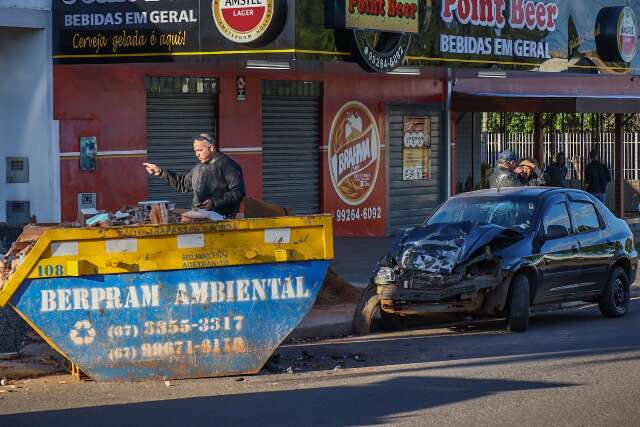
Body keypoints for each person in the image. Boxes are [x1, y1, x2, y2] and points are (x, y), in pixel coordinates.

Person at [143, 133, 246, 218]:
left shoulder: (228, 165)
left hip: (224, 219)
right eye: (195, 151)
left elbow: (238, 192)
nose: (197, 154)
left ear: (210, 147)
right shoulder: (199, 168)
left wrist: (214, 202)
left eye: (200, 150)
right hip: (201, 218)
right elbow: (183, 184)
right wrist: (160, 172)